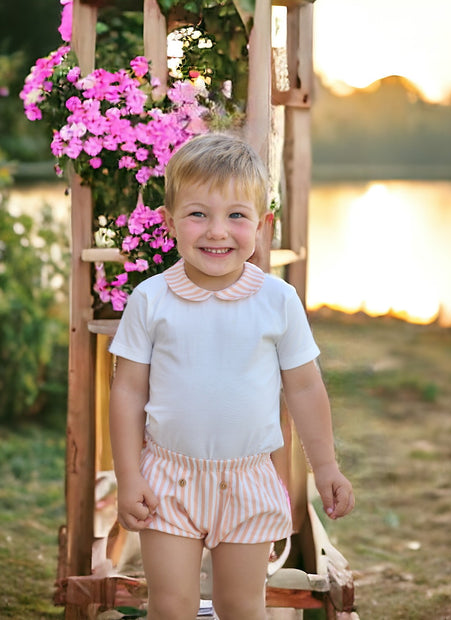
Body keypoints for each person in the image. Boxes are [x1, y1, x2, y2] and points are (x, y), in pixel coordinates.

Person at [109, 133, 354, 620]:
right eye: (198, 214)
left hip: (248, 481)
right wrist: (128, 475)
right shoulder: (151, 300)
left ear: (263, 226)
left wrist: (326, 467)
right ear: (169, 222)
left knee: (241, 606)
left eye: (236, 216)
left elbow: (304, 387)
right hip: (168, 480)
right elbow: (128, 390)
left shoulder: (277, 300)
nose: (217, 231)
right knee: (172, 606)